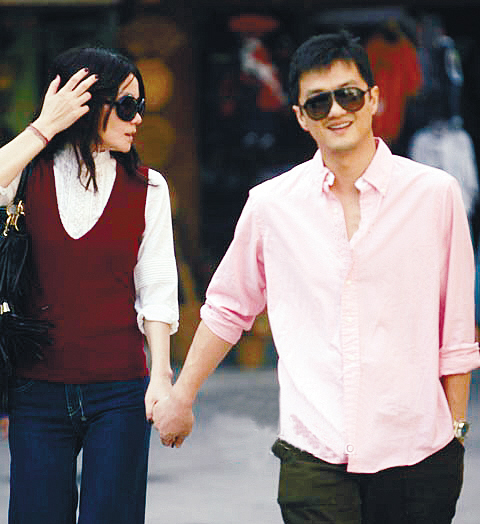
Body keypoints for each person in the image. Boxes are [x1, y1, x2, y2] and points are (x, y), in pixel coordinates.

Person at [152, 32, 480, 524]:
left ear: (374, 98)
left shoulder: (436, 195)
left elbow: (455, 332)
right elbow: (227, 308)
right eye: (318, 101)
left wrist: (455, 432)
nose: (336, 110)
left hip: (419, 453)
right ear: (301, 116)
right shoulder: (271, 205)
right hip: (314, 453)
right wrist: (181, 396)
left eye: (349, 95)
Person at [0, 47, 178, 524]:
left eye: (140, 106)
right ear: (84, 105)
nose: (137, 118)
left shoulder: (149, 187)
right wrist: (44, 126)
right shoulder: (27, 175)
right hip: (36, 390)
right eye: (126, 106)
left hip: (120, 392)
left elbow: (157, 290)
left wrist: (161, 378)